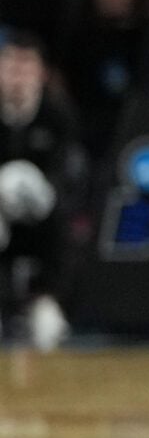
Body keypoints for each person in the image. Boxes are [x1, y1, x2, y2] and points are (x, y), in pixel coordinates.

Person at [0, 33, 79, 351]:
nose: (17, 76)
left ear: (40, 73)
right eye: (10, 66)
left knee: (63, 219)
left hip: (41, 217)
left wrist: (41, 192)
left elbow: (66, 173)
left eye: (25, 67)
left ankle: (47, 302)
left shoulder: (57, 114)